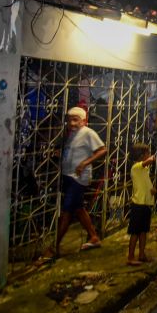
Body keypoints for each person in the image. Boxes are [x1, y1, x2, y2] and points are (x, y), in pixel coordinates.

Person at [50, 106, 107, 258]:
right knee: (78, 209)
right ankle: (94, 237)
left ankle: (54, 246)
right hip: (69, 176)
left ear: (83, 121)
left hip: (78, 178)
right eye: (70, 120)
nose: (72, 123)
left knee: (67, 211)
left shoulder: (88, 133)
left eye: (76, 120)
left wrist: (85, 162)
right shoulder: (71, 135)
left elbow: (103, 150)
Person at [127, 143, 157, 266]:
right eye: (147, 153)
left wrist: (152, 190)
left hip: (145, 204)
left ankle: (141, 254)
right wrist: (151, 159)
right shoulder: (136, 167)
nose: (149, 155)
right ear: (141, 155)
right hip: (138, 205)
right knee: (135, 232)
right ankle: (130, 257)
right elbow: (145, 163)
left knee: (143, 231)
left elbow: (145, 183)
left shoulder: (144, 170)